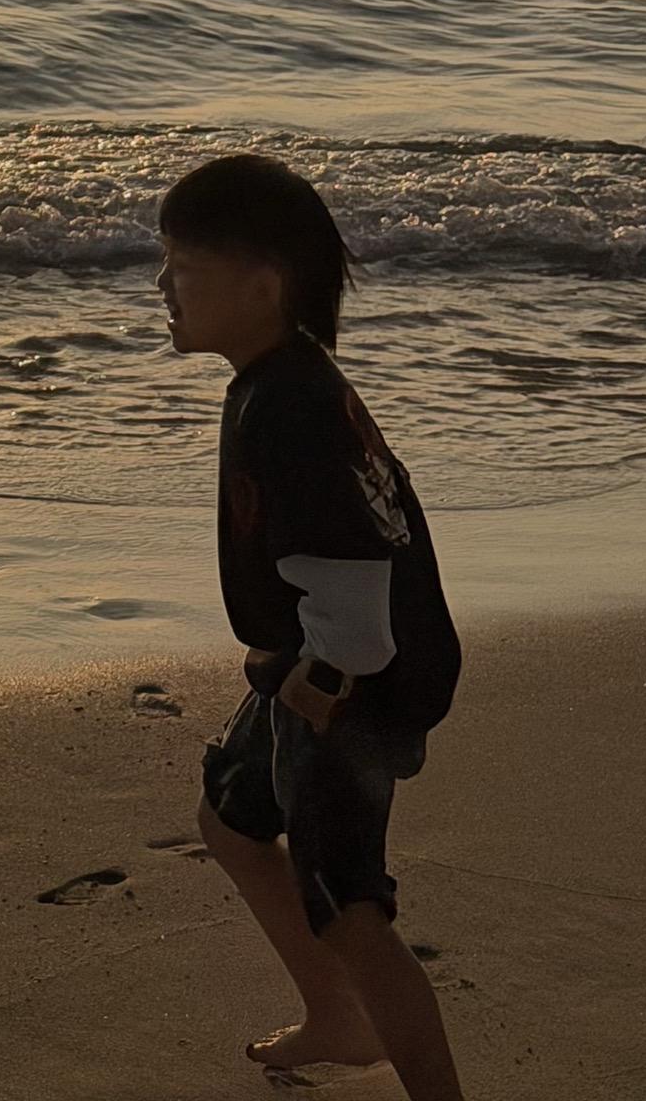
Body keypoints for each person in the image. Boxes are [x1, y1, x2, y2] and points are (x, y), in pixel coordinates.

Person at [156, 156, 463, 1098]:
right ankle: (337, 1018)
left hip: (348, 683)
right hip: (313, 656)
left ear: (263, 287)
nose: (162, 287)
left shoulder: (288, 409)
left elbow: (358, 594)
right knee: (234, 820)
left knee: (349, 909)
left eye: (184, 269)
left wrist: (321, 685)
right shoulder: (281, 378)